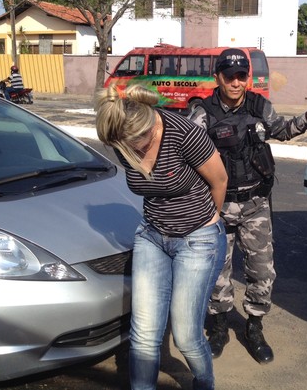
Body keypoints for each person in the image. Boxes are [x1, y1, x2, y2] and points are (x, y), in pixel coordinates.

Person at [188, 48, 307, 364]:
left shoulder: (259, 107)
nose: (236, 82)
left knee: (262, 270)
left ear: (247, 78)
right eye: (230, 77)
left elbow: (281, 130)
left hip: (255, 204)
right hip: (217, 208)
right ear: (218, 78)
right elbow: (186, 155)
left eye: (242, 76)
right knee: (217, 272)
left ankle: (254, 327)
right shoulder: (202, 114)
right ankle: (220, 327)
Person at [95, 84, 228, 390]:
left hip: (198, 238)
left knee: (185, 335)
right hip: (152, 237)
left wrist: (209, 220)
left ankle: (204, 383)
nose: (129, 152)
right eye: (121, 145)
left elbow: (219, 180)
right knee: (143, 334)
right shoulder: (122, 136)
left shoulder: (183, 133)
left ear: (147, 124)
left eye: (134, 143)